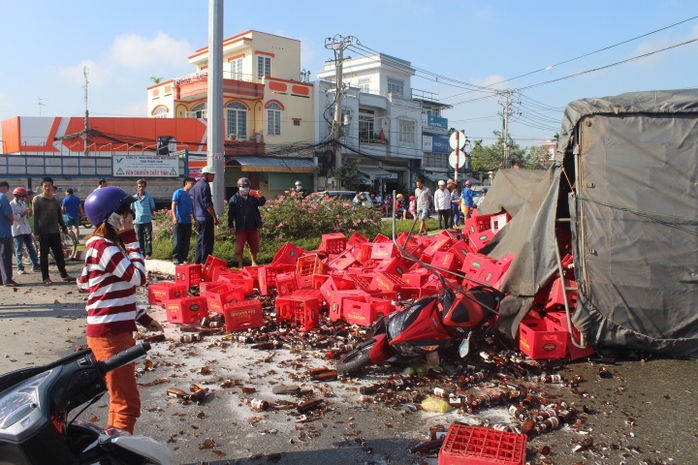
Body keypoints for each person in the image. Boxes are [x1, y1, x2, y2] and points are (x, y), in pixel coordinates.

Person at [79, 186, 163, 434]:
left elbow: (96, 286)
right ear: (112, 217)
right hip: (110, 335)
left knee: (120, 399)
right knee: (127, 404)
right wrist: (131, 239)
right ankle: (119, 455)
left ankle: (112, 445)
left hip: (114, 331)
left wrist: (143, 317)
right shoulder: (104, 247)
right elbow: (137, 277)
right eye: (127, 213)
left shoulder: (101, 246)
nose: (131, 218)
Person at [33, 177, 74, 285]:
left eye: (49, 185)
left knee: (59, 254)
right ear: (42, 187)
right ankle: (45, 277)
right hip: (43, 232)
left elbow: (59, 215)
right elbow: (35, 217)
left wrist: (64, 227)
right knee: (44, 256)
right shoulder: (37, 199)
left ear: (52, 186)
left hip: (55, 231)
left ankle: (64, 275)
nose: (47, 187)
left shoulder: (55, 198)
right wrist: (36, 233)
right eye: (45, 186)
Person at [227, 177, 266, 268]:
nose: (244, 188)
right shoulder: (234, 199)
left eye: (246, 186)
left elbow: (261, 202)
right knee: (239, 247)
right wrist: (231, 226)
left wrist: (260, 196)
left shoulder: (253, 197)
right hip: (241, 227)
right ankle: (240, 265)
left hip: (253, 226)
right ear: (238, 187)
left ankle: (254, 262)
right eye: (242, 186)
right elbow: (230, 214)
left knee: (254, 246)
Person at [191, 166, 219, 264]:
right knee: (207, 242)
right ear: (207, 175)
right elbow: (208, 204)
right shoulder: (205, 186)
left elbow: (192, 198)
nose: (213, 177)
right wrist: (214, 217)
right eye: (212, 175)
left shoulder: (196, 185)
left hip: (199, 217)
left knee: (201, 240)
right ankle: (204, 262)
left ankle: (197, 262)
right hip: (206, 217)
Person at [10, 187, 39, 275]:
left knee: (30, 248)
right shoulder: (11, 204)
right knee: (19, 250)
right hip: (18, 230)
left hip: (26, 229)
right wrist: (22, 214)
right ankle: (20, 267)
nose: (24, 198)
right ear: (18, 196)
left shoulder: (23, 204)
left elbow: (27, 217)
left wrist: (29, 213)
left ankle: (35, 265)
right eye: (23, 196)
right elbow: (13, 217)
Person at [171, 177, 196, 265]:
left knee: (186, 241)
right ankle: (175, 257)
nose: (193, 186)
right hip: (179, 221)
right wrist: (174, 217)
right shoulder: (179, 192)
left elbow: (193, 209)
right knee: (178, 240)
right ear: (186, 183)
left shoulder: (191, 195)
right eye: (192, 184)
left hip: (187, 221)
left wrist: (195, 220)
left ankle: (184, 257)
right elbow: (174, 205)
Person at [0, 181, 18, 287]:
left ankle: (1, 279)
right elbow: (8, 213)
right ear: (4, 187)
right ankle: (7, 279)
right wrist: (11, 220)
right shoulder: (2, 197)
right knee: (5, 256)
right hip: (4, 231)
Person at [132, 179, 156, 259]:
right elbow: (133, 209)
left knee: (148, 238)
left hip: (147, 220)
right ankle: (141, 253)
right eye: (139, 186)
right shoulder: (134, 198)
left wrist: (148, 215)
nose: (141, 188)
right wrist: (138, 215)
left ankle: (148, 254)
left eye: (142, 186)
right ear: (137, 187)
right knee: (140, 238)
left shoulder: (148, 197)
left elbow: (152, 208)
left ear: (145, 187)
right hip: (138, 221)